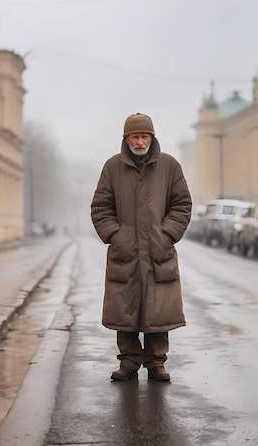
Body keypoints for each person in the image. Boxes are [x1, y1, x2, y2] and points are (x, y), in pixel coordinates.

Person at [91, 112, 192, 382]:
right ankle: (129, 362)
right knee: (125, 310)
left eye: (144, 136)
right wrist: (116, 235)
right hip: (126, 253)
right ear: (126, 139)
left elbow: (182, 205)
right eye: (134, 136)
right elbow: (100, 207)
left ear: (152, 137)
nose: (139, 141)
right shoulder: (112, 167)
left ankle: (156, 363)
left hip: (159, 252)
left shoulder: (170, 166)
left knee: (157, 311)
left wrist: (167, 234)